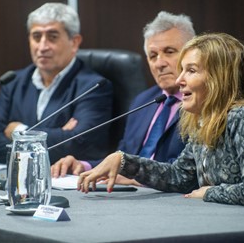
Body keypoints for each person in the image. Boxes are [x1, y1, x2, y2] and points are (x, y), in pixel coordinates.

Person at [77, 32, 244, 213]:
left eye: (191, 71)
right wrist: (125, 161)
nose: (179, 80)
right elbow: (180, 177)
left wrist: (208, 193)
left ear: (218, 78)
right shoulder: (203, 119)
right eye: (182, 71)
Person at [51, 11, 195, 186]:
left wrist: (137, 176)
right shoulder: (143, 101)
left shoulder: (201, 103)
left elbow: (189, 172)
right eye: (153, 56)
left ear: (191, 55)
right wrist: (83, 165)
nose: (159, 63)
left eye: (169, 52)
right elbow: (123, 157)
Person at [0, 3, 113, 164]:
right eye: (36, 37)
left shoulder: (94, 86)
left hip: (67, 184)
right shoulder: (13, 82)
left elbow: (80, 144)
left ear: (75, 42)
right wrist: (58, 135)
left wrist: (19, 131)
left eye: (52, 37)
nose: (42, 47)